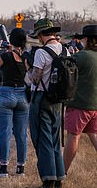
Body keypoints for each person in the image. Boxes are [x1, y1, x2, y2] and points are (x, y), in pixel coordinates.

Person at [27, 18, 68, 187]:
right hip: (58, 100)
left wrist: (28, 68)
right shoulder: (65, 51)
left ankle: (48, 179)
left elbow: (35, 79)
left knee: (42, 140)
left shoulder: (41, 53)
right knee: (55, 140)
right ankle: (59, 177)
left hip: (41, 99)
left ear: (42, 35)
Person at [0, 28, 29, 177]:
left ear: (11, 40)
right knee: (21, 134)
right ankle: (20, 168)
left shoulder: (5, 56)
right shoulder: (26, 57)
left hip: (6, 94)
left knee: (4, 131)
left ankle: (3, 168)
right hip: (22, 96)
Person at [63, 24, 97, 172]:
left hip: (80, 103)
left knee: (73, 136)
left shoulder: (83, 55)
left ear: (86, 39)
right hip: (95, 105)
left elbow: (64, 66)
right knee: (94, 134)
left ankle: (62, 172)